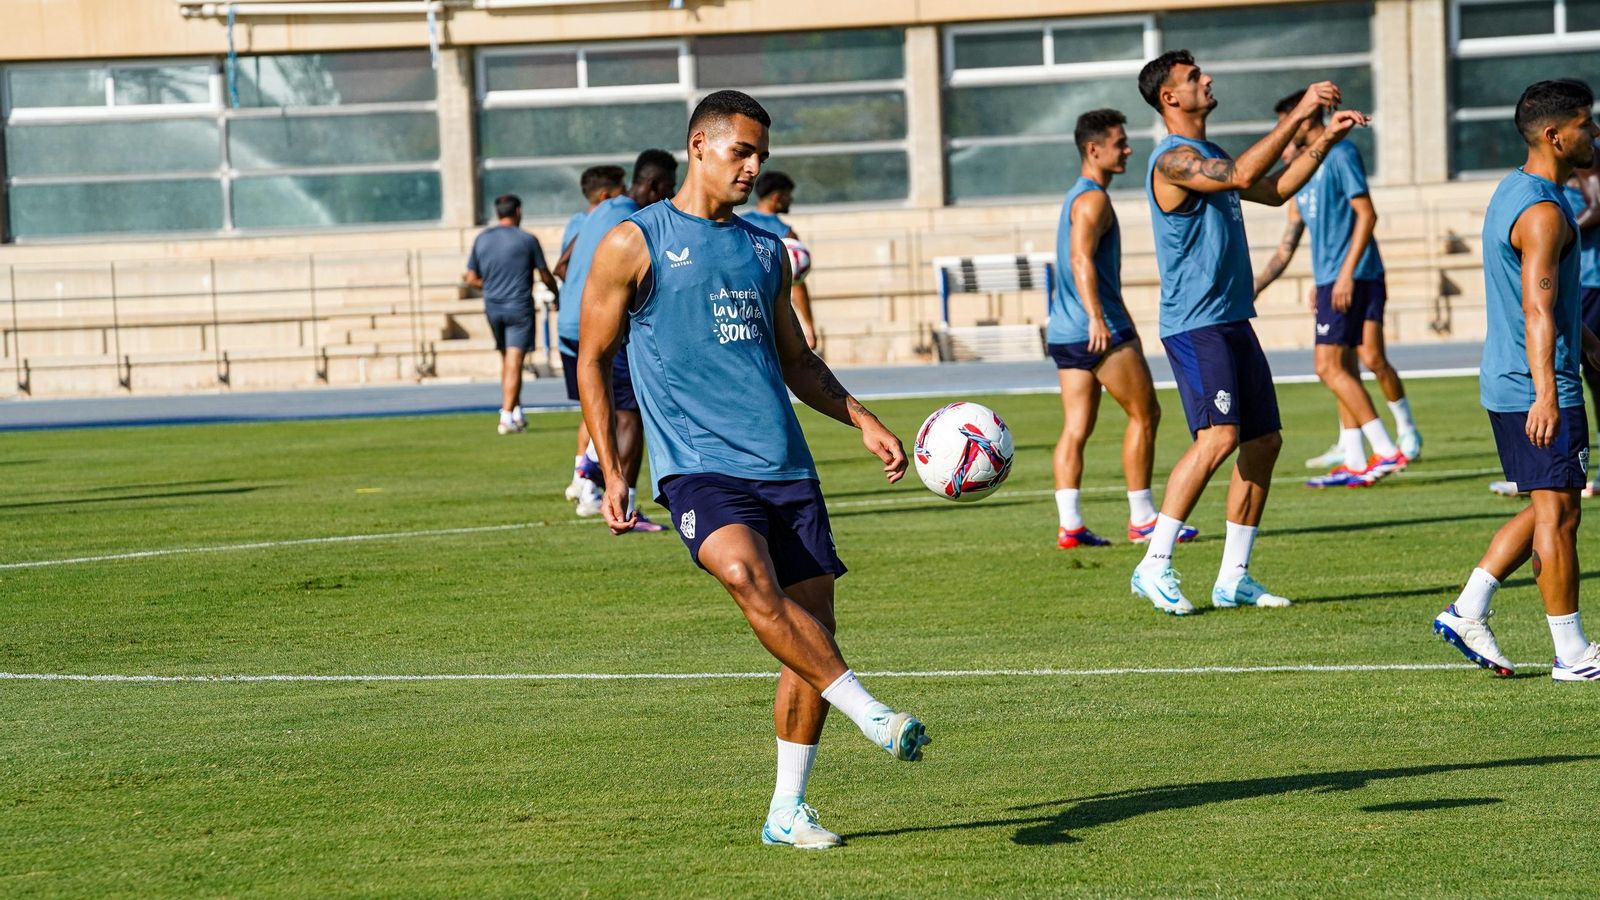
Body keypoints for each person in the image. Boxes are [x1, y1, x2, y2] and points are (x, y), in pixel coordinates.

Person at [577, 89, 930, 849]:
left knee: (810, 635)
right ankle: (873, 713)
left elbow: (797, 360)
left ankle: (786, 810)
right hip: (697, 468)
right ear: (699, 145)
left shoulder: (765, 248)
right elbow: (593, 360)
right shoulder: (632, 243)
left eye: (761, 154)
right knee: (745, 577)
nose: (754, 166)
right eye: (742, 151)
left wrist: (862, 418)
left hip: (785, 463)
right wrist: (612, 470)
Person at [1128, 50, 1368, 615]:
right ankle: (1154, 562)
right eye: (1193, 78)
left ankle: (1233, 576)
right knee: (1217, 437)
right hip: (1196, 323)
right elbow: (1240, 176)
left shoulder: (1210, 154)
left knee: (1264, 441)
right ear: (1170, 98)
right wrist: (1301, 108)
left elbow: (1277, 188)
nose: (1206, 80)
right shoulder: (1172, 160)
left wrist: (1325, 138)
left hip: (1233, 318)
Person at [1433, 79, 1600, 681]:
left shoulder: (1517, 189)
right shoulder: (1543, 213)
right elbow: (1537, 308)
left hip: (1517, 379)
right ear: (1556, 136)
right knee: (1558, 514)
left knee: (1548, 502)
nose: (1596, 133)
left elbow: (1550, 304)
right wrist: (1549, 393)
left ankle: (1467, 610)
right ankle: (1573, 654)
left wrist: (1589, 347)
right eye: (1587, 124)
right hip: (1533, 385)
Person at [1253, 93, 1420, 486]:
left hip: (1355, 277)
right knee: (1343, 367)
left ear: (1309, 119)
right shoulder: (1299, 172)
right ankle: (1355, 456)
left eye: (1291, 120)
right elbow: (1288, 242)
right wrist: (1257, 286)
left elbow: (1367, 214)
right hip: (1331, 279)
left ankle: (1386, 449)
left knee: (1330, 365)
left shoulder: (1340, 156)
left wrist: (1344, 275)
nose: (1285, 129)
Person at [1049, 108, 1197, 550]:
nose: (1128, 149)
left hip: (1064, 331)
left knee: (1076, 427)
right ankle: (1143, 518)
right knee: (1145, 413)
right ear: (1093, 150)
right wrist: (1097, 315)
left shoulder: (1075, 195)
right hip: (1100, 329)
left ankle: (1070, 525)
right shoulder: (1093, 198)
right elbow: (1080, 258)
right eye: (1119, 142)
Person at [558, 149, 678, 529]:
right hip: (603, 327)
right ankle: (622, 502)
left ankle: (586, 480)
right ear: (657, 186)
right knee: (630, 416)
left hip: (570, 326)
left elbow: (561, 266)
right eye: (670, 189)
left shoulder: (599, 212)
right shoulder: (635, 219)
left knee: (600, 403)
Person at [554, 165, 625, 501]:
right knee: (612, 406)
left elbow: (560, 267)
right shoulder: (614, 220)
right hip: (591, 321)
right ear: (606, 195)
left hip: (568, 321)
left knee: (591, 402)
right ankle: (589, 481)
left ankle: (578, 475)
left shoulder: (577, 223)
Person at [464, 194, 558, 434]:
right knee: (515, 361)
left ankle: (516, 411)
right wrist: (556, 292)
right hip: (518, 307)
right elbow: (544, 273)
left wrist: (493, 286)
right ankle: (506, 416)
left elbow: (471, 278)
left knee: (507, 361)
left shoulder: (482, 239)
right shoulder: (526, 240)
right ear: (517, 211)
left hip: (493, 307)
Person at [740, 171, 818, 349]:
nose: (790, 200)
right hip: (771, 316)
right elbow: (796, 282)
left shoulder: (738, 222)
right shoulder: (785, 233)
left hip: (740, 310)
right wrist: (809, 326)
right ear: (777, 197)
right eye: (788, 195)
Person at [1565, 159, 1600, 496]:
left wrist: (1560, 232)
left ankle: (1549, 473)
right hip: (1585, 280)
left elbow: (1599, 207)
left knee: (1565, 367)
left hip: (1590, 280)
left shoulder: (1588, 154)